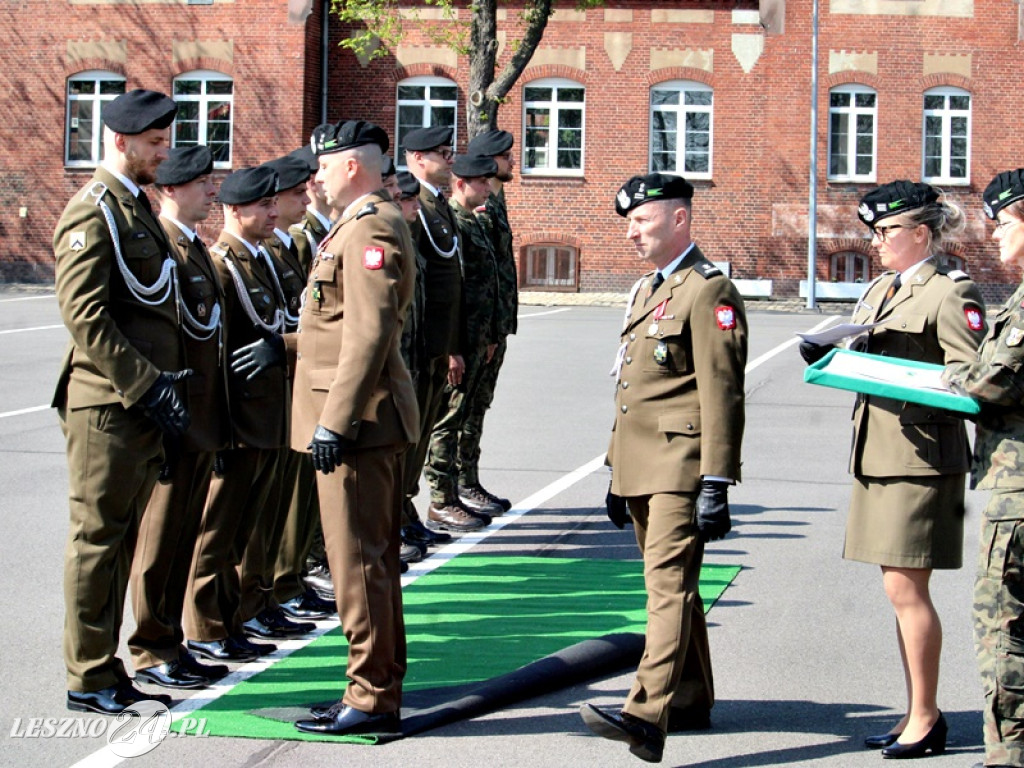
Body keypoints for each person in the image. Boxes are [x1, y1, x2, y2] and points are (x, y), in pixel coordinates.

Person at [801, 180, 987, 759]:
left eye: (886, 232)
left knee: (908, 590)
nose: (876, 242)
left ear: (921, 234)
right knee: (896, 588)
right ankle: (916, 711)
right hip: (879, 452)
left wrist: (900, 376)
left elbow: (972, 377)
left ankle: (926, 718)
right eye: (874, 232)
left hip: (920, 458)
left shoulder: (951, 292)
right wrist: (833, 356)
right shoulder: (884, 287)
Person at [579, 173, 747, 764]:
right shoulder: (651, 288)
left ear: (679, 219)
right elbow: (631, 386)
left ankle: (646, 715)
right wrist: (613, 467)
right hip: (641, 464)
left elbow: (722, 392)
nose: (632, 233)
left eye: (642, 221)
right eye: (628, 223)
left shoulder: (708, 291)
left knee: (666, 589)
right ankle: (693, 698)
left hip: (682, 466)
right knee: (679, 589)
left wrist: (717, 481)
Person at [53, 89, 187, 715]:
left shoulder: (134, 207)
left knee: (123, 538)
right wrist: (147, 384)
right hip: (107, 402)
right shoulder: (93, 212)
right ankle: (87, 676)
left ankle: (106, 666)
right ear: (122, 142)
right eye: (155, 144)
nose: (164, 154)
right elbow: (86, 317)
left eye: (165, 143)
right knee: (98, 539)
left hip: (137, 403)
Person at [291, 120, 418, 737]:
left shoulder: (370, 225)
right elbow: (334, 327)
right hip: (362, 419)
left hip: (359, 424)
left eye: (325, 163)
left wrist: (334, 422)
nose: (315, 175)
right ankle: (378, 681)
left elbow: (369, 333)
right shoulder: (359, 222)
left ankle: (371, 696)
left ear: (352, 167)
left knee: (358, 563)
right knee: (371, 561)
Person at [128, 145, 231, 690]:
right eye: (201, 182)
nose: (212, 190)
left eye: (212, 181)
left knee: (184, 533)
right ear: (170, 189)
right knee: (160, 538)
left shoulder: (193, 248)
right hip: (173, 415)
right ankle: (150, 648)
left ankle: (171, 640)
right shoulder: (164, 247)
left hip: (200, 416)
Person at [184, 166, 288, 663]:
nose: (273, 212)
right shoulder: (224, 264)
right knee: (218, 531)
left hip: (267, 415)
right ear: (233, 210)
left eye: (273, 203)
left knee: (246, 528)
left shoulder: (259, 259)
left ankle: (233, 616)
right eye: (262, 205)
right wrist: (221, 430)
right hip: (239, 421)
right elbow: (217, 353)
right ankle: (205, 625)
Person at [942, 169, 1024, 768]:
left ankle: (1008, 754)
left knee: (1003, 624)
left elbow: (994, 378)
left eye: (1005, 223)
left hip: (1015, 490)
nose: (994, 235)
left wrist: (947, 377)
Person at [232, 154, 321, 637]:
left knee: (277, 503)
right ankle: (248, 601)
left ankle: (270, 589)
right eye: (290, 197)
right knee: (243, 518)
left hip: (284, 395)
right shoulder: (237, 259)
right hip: (255, 407)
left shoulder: (274, 254)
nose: (303, 199)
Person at [401, 126, 488, 533]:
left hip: (439, 343)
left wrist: (454, 343)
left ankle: (409, 510)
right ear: (417, 159)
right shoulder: (411, 204)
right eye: (441, 153)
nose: (450, 159)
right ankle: (403, 513)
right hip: (421, 344)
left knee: (420, 434)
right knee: (412, 434)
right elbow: (417, 286)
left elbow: (448, 281)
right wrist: (440, 346)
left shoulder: (435, 205)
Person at [423, 155, 502, 522]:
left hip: (478, 336)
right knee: (448, 417)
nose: (488, 187)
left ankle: (459, 488)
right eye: (481, 182)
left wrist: (490, 334)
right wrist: (453, 347)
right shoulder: (453, 222)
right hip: (461, 338)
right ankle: (441, 497)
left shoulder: (475, 220)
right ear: (461, 184)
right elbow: (452, 290)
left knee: (468, 413)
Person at [458, 128, 519, 514]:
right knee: (463, 408)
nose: (512, 162)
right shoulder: (479, 207)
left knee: (479, 407)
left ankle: (469, 479)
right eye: (506, 157)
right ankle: (459, 485)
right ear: (488, 162)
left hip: (495, 325)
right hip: (481, 328)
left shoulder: (497, 199)